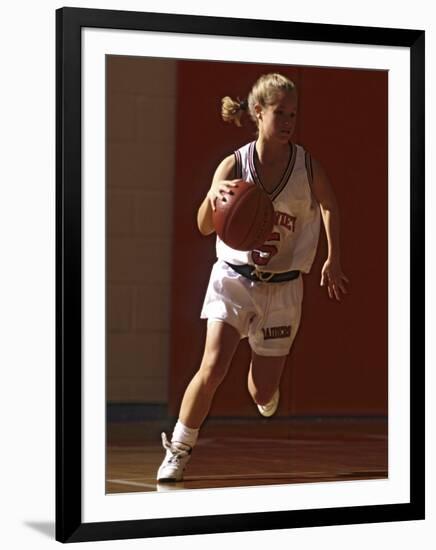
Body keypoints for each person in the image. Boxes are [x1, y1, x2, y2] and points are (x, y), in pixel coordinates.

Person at [156, 73, 349, 483]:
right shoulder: (234, 164)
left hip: (282, 287)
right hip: (234, 279)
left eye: (293, 114)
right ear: (258, 113)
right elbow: (204, 226)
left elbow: (330, 205)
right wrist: (216, 197)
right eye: (280, 113)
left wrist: (333, 257)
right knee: (212, 366)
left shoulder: (305, 164)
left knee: (262, 393)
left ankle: (265, 388)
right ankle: (179, 449)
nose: (288, 122)